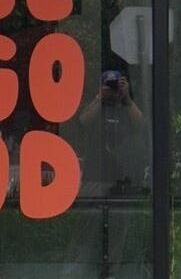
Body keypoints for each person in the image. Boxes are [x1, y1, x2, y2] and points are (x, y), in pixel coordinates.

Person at [64, 68, 150, 197]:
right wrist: (99, 99)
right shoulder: (96, 109)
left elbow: (142, 126)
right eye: (108, 85)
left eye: (115, 85)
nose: (112, 89)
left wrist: (127, 98)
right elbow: (83, 121)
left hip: (124, 177)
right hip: (96, 176)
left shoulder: (127, 110)